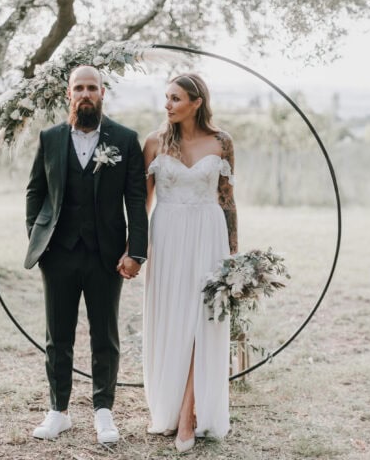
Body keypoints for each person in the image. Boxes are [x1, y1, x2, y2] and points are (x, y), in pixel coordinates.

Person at [24, 65, 148, 444]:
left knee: (104, 335)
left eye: (92, 87)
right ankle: (58, 411)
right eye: (79, 88)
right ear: (68, 94)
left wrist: (136, 253)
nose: (85, 94)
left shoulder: (125, 140)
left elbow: (136, 199)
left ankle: (103, 412)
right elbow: (35, 192)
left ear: (102, 93)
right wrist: (38, 239)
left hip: (106, 256)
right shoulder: (50, 138)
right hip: (58, 254)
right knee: (57, 335)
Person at [142, 73, 237, 452]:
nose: (168, 104)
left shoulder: (222, 142)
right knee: (174, 318)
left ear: (196, 102)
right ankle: (172, 404)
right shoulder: (153, 142)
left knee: (203, 319)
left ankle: (188, 413)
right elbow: (142, 203)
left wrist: (234, 254)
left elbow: (228, 199)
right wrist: (137, 248)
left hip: (208, 234)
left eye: (176, 98)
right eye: (166, 97)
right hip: (166, 236)